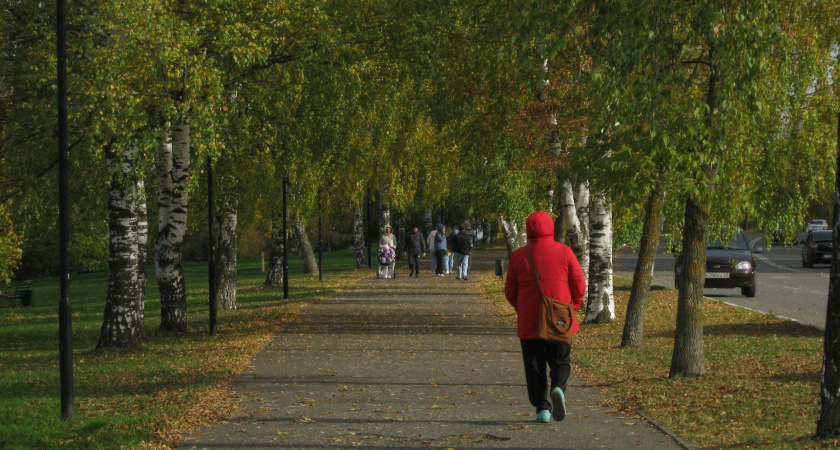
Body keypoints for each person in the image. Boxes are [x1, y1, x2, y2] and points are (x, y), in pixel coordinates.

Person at [504, 211, 585, 424]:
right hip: (560, 318)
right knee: (560, 360)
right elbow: (579, 284)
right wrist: (571, 307)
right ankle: (558, 387)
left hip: (530, 321)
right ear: (551, 227)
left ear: (528, 229)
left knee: (534, 366)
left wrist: (521, 309)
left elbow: (510, 291)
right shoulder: (565, 252)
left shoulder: (519, 255)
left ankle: (543, 409)